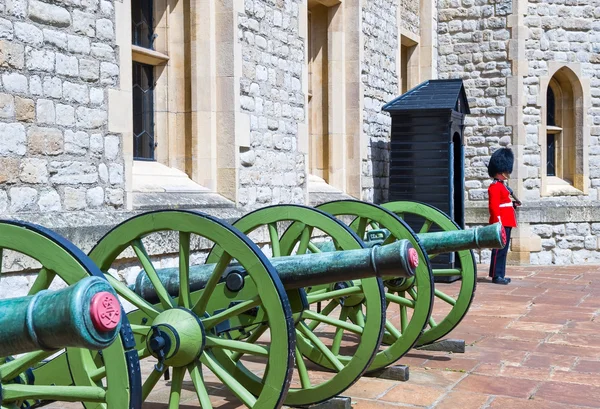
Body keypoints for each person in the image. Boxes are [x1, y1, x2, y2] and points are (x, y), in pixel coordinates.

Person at [486, 147, 520, 285]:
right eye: (505, 171)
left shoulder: (502, 186)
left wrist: (513, 205)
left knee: (503, 250)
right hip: (501, 222)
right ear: (499, 172)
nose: (507, 173)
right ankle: (496, 275)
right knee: (499, 250)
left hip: (507, 221)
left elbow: (504, 204)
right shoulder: (494, 186)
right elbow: (494, 208)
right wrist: (497, 223)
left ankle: (500, 274)